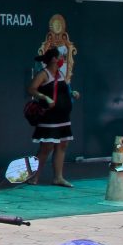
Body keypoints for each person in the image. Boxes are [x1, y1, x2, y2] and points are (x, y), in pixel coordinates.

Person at [27, 45, 78, 187]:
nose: (62, 59)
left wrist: (72, 93)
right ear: (54, 59)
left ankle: (58, 177)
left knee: (62, 145)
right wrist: (45, 97)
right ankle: (33, 177)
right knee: (46, 147)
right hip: (49, 118)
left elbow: (63, 90)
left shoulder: (60, 74)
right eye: (60, 57)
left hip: (63, 118)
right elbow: (31, 89)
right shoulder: (43, 74)